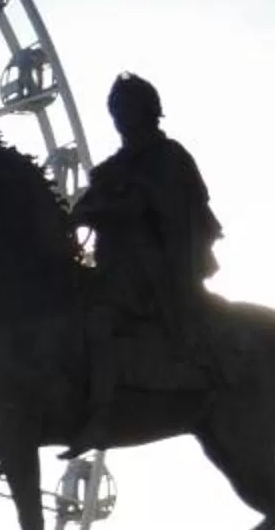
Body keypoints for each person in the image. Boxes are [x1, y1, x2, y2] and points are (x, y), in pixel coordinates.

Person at [68, 73, 224, 453]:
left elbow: (165, 207)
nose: (120, 117)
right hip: (110, 265)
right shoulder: (112, 168)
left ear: (148, 112)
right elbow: (86, 205)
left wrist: (108, 210)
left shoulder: (168, 158)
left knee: (101, 321)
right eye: (115, 110)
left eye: (126, 109)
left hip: (151, 267)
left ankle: (102, 417)